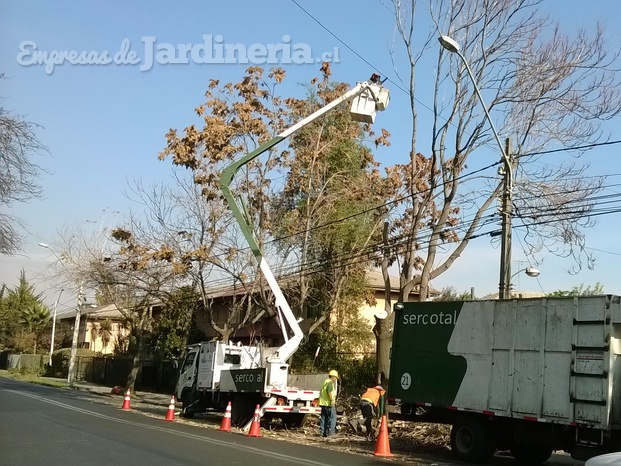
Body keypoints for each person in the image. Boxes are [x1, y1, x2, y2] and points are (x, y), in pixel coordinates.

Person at [319, 369, 339, 437]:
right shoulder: (330, 383)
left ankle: (322, 433)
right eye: (336, 377)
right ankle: (331, 434)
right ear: (333, 376)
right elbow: (329, 391)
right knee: (333, 418)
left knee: (324, 418)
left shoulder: (325, 382)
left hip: (323, 404)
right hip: (328, 404)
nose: (336, 379)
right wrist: (332, 400)